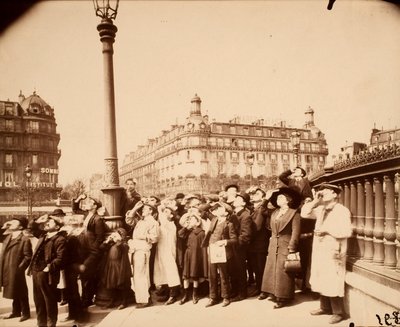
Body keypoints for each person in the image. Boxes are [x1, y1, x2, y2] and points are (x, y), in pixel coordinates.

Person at [301, 183, 353, 325]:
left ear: (335, 194)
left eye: (326, 191)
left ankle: (338, 312)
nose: (322, 193)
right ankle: (324, 307)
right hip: (320, 249)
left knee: (332, 279)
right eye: (321, 191)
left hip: (334, 249)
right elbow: (304, 213)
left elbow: (347, 231)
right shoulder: (321, 209)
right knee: (320, 276)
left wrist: (327, 230)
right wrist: (315, 202)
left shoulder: (342, 211)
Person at [258, 187, 302, 308]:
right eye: (277, 198)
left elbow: (295, 232)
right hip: (273, 245)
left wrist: (292, 248)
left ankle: (283, 297)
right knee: (272, 270)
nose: (278, 199)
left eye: (281, 198)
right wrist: (266, 199)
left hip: (285, 245)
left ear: (288, 200)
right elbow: (262, 210)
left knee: (284, 272)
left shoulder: (294, 213)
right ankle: (272, 292)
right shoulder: (275, 212)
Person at [279, 166, 314, 291]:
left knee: (303, 253)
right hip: (294, 207)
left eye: (299, 170)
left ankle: (303, 282)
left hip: (303, 208)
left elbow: (310, 195)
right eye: (296, 170)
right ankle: (293, 281)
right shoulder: (291, 181)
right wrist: (290, 170)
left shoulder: (306, 181)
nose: (297, 171)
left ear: (303, 173)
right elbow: (281, 177)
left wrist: (308, 199)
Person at [27, 215, 66, 327]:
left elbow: (61, 258)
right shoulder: (43, 235)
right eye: (47, 221)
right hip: (36, 272)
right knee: (38, 300)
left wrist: (48, 267)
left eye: (51, 222)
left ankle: (50, 324)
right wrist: (38, 220)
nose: (47, 223)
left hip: (48, 274)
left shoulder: (60, 239)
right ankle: (41, 323)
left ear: (57, 227)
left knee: (49, 300)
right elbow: (31, 228)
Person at [72, 194, 106, 308]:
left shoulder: (97, 219)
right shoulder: (86, 214)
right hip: (83, 249)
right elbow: (75, 209)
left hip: (91, 252)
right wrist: (78, 199)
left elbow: (100, 237)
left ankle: (87, 299)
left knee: (88, 275)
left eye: (89, 202)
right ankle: (85, 298)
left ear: (95, 206)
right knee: (84, 275)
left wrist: (94, 251)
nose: (86, 203)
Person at [202, 202, 238, 308]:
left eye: (221, 208)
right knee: (212, 275)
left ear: (226, 213)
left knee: (223, 275)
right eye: (217, 209)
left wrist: (225, 242)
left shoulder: (229, 224)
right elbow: (203, 209)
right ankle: (213, 297)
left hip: (223, 252)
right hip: (212, 250)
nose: (218, 210)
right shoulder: (214, 220)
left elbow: (234, 239)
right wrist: (213, 202)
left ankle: (226, 297)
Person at [0, 217, 32, 322]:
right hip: (6, 267)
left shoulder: (24, 239)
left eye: (14, 222)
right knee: (14, 289)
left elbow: (28, 256)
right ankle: (16, 311)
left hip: (16, 269)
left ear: (21, 226)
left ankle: (26, 313)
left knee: (21, 290)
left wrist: (20, 268)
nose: (11, 223)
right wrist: (3, 227)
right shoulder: (8, 236)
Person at [128, 203, 160, 308]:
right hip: (136, 249)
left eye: (145, 209)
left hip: (143, 249)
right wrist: (135, 208)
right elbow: (129, 220)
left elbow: (155, 238)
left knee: (141, 274)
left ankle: (144, 300)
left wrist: (142, 236)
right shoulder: (141, 221)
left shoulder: (153, 222)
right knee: (138, 274)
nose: (143, 211)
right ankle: (143, 297)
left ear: (151, 211)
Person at [178, 201, 208, 305]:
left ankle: (195, 294)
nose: (190, 221)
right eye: (189, 219)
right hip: (188, 255)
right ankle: (186, 295)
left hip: (197, 256)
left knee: (195, 275)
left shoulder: (201, 233)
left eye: (192, 219)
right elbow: (180, 235)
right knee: (186, 276)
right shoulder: (187, 231)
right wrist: (185, 227)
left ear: (198, 221)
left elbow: (203, 248)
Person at [153, 202, 181, 305]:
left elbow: (163, 220)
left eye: (167, 212)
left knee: (170, 271)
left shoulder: (171, 225)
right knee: (161, 271)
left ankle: (173, 294)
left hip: (168, 251)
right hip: (161, 250)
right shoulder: (163, 224)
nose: (164, 213)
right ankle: (166, 292)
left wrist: (160, 209)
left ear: (171, 215)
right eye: (164, 212)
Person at [99, 228, 132, 309]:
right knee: (111, 284)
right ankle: (112, 301)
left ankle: (124, 302)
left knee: (121, 284)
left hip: (119, 266)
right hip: (111, 265)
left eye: (117, 234)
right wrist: (107, 241)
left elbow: (123, 248)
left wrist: (118, 240)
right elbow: (101, 247)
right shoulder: (111, 244)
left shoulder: (123, 245)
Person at [230, 191, 253, 302]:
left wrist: (235, 243)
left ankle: (242, 293)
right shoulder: (234, 213)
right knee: (233, 270)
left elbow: (245, 235)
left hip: (239, 247)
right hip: (233, 245)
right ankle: (234, 291)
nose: (235, 200)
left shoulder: (245, 215)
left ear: (243, 203)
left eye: (238, 199)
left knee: (240, 270)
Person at [247, 186, 270, 297]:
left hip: (260, 242)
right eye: (253, 194)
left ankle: (264, 290)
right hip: (253, 243)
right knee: (255, 266)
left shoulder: (263, 208)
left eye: (257, 194)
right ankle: (258, 287)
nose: (253, 195)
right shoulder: (252, 208)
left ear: (263, 197)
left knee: (261, 267)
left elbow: (257, 226)